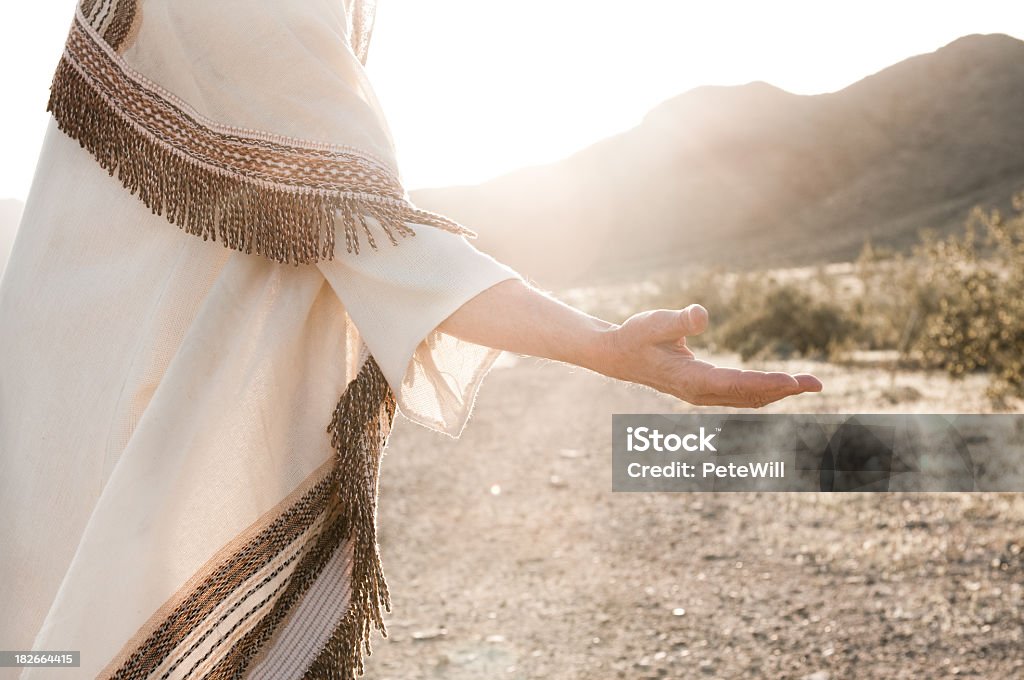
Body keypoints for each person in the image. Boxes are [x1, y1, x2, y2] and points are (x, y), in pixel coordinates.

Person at [0, 1, 821, 678]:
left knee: (56, 633)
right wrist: (607, 348)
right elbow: (370, 236)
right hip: (126, 394)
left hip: (70, 392)